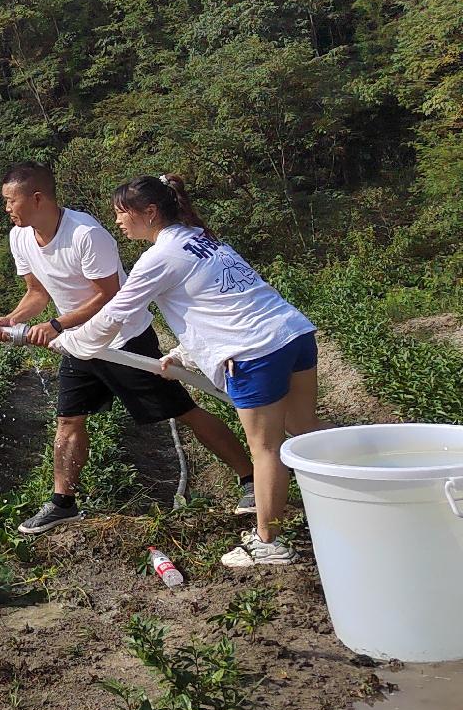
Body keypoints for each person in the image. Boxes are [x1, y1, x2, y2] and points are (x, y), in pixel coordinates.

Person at [55, 174, 318, 568]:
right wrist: (184, 352)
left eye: (122, 214)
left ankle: (268, 541)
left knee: (265, 450)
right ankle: (365, 482)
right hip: (292, 333)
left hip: (255, 351)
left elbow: (114, 315)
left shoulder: (158, 257)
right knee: (305, 430)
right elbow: (218, 301)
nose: (118, 222)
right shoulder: (198, 236)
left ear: (150, 212)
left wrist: (70, 341)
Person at [0, 162, 257, 536]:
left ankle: (251, 479)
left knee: (182, 411)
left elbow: (110, 295)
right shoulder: (20, 238)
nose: (6, 209)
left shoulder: (86, 234)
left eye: (9, 201)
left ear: (36, 198)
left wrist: (55, 326)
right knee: (69, 420)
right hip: (79, 344)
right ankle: (62, 503)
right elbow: (37, 292)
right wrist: (13, 319)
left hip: (123, 339)